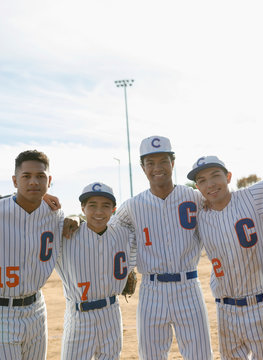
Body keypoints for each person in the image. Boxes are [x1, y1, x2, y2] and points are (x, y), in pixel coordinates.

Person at [112, 135, 212, 360]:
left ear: (173, 163)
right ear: (142, 167)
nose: (157, 168)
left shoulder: (194, 197)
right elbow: (103, 231)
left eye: (163, 161)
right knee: (151, 355)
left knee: (200, 355)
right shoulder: (132, 206)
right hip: (151, 289)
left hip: (188, 286)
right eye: (150, 163)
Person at [188, 155, 263, 359]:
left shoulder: (251, 196)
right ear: (197, 187)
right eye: (202, 180)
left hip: (259, 304)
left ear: (228, 177)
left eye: (215, 176)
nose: (210, 184)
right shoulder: (200, 212)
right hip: (225, 309)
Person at [0, 150, 64, 360]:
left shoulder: (55, 215)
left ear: (49, 181)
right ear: (14, 180)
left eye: (40, 176)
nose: (33, 182)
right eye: (26, 176)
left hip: (36, 306)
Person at [55, 182, 136, 360]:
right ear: (82, 208)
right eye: (92, 205)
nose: (99, 212)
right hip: (79, 315)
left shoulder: (124, 234)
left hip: (111, 313)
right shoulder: (65, 234)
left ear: (113, 209)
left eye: (105, 206)